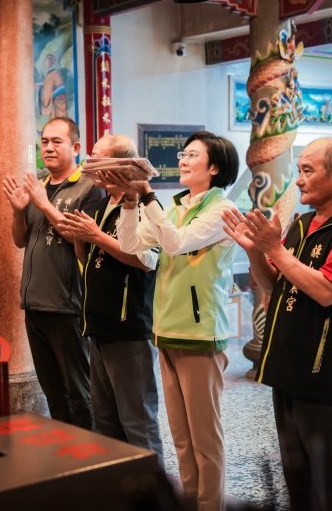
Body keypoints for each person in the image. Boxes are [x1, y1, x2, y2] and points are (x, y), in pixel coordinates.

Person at [222, 137, 332, 509]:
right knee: (298, 480)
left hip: (326, 375)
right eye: (299, 170)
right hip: (289, 369)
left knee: (329, 484)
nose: (299, 180)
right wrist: (256, 251)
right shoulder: (302, 224)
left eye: (307, 170)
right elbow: (275, 284)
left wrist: (273, 248)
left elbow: (327, 291)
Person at [102, 130, 238, 511]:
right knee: (181, 438)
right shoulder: (176, 207)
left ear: (214, 167)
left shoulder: (221, 210)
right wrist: (130, 202)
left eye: (192, 155)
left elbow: (176, 242)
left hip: (200, 334)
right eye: (183, 154)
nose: (182, 160)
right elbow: (132, 244)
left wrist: (147, 194)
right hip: (166, 331)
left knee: (205, 440)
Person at [58, 133, 164, 458]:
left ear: (120, 165)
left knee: (138, 421)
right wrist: (81, 238)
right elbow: (90, 259)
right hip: (99, 327)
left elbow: (146, 261)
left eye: (97, 157)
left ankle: (152, 485)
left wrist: (96, 236)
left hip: (128, 329)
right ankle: (119, 482)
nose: (90, 164)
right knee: (105, 420)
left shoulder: (144, 205)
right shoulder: (105, 203)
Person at [2, 117, 102, 430]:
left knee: (80, 393)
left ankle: (92, 452)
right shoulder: (39, 187)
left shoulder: (89, 189)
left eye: (57, 142)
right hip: (35, 304)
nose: (48, 148)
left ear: (76, 147)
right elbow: (20, 240)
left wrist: (44, 204)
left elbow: (82, 238)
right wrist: (19, 211)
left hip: (67, 305)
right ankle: (65, 449)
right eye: (44, 141)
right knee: (53, 393)